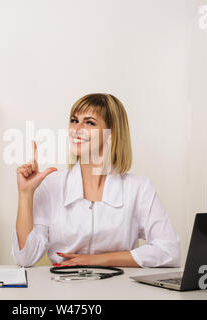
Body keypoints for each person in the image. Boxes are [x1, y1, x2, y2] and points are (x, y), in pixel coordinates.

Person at [12, 93, 180, 268]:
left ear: (112, 133)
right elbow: (25, 259)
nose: (76, 129)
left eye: (90, 122)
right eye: (74, 120)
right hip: (64, 289)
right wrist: (25, 194)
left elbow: (170, 251)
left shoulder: (139, 188)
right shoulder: (51, 186)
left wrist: (99, 260)